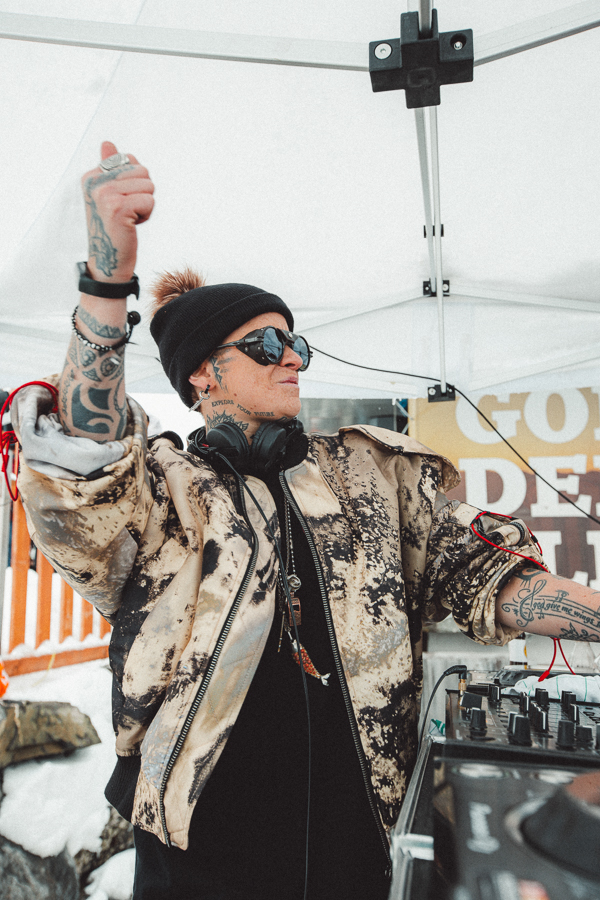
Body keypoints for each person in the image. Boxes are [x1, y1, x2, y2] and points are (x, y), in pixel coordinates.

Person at [11, 143, 600, 900]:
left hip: (357, 843)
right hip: (206, 859)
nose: (291, 358)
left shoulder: (369, 476)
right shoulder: (163, 495)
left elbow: (482, 571)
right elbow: (82, 468)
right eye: (266, 344)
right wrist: (105, 278)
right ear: (202, 373)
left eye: (296, 343)